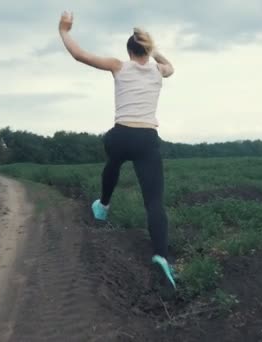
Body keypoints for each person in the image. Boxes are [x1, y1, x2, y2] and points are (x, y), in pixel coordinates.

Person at [58, 11, 176, 291]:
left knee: (113, 158)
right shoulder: (159, 71)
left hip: (120, 135)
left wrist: (64, 31)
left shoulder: (118, 66)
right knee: (154, 202)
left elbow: (80, 55)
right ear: (147, 50)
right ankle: (160, 254)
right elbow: (170, 65)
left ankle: (104, 205)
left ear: (128, 51)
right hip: (147, 138)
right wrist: (154, 49)